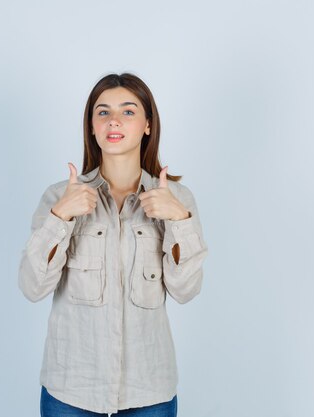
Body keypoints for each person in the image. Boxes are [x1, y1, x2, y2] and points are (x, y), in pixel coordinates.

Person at [18, 73, 208, 416]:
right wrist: (61, 217)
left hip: (149, 390)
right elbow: (32, 286)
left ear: (148, 124)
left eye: (128, 111)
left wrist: (179, 221)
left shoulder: (177, 199)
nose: (114, 120)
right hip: (70, 390)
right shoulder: (58, 197)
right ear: (91, 126)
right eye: (102, 112)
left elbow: (185, 290)